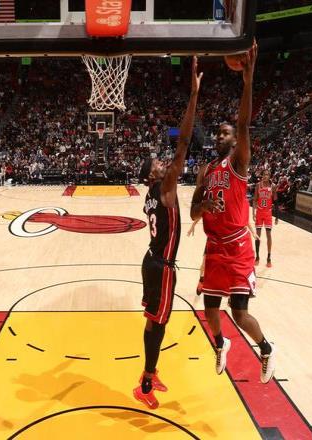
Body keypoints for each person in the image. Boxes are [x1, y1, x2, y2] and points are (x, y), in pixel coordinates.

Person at [190, 41, 276, 384]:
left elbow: (243, 124)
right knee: (210, 307)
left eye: (224, 133)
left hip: (238, 245)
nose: (219, 135)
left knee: (239, 312)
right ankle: (219, 343)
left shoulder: (238, 162)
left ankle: (266, 348)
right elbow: (193, 211)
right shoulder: (206, 170)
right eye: (217, 133)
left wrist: (248, 83)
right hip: (214, 246)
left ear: (234, 140)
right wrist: (203, 206)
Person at [133, 57, 203, 410]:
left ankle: (151, 372)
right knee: (158, 324)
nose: (164, 163)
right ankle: (145, 383)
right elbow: (184, 142)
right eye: (158, 164)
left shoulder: (151, 193)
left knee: (154, 322)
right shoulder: (164, 187)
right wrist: (194, 95)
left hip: (153, 261)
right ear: (152, 175)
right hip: (161, 266)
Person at [252, 169, 278, 267]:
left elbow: (276, 202)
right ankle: (257, 256)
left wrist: (277, 217)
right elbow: (255, 200)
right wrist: (253, 212)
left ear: (269, 176)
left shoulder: (273, 186)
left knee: (268, 235)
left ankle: (269, 257)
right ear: (262, 176)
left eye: (267, 174)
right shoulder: (258, 185)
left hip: (268, 213)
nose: (265, 176)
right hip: (259, 212)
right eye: (264, 174)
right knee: (257, 235)